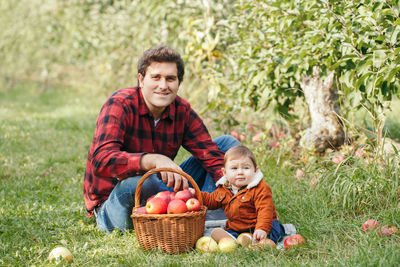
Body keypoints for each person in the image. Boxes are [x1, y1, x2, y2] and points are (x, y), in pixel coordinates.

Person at [83, 45, 240, 233]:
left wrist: (240, 189)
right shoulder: (120, 104)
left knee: (228, 147)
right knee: (147, 182)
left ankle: (210, 212)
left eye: (170, 79)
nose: (163, 86)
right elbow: (101, 159)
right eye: (156, 77)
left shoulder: (181, 110)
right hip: (117, 200)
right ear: (141, 80)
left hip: (162, 193)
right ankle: (191, 217)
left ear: (178, 83)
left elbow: (210, 155)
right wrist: (153, 159)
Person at [195, 145, 285, 244]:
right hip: (237, 227)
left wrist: (262, 228)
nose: (240, 172)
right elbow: (211, 200)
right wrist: (196, 195)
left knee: (273, 233)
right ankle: (234, 239)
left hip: (260, 225)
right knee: (232, 233)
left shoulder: (260, 188)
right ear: (224, 172)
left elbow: (265, 210)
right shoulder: (225, 188)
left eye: (246, 168)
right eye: (234, 168)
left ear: (255, 170)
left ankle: (258, 241)